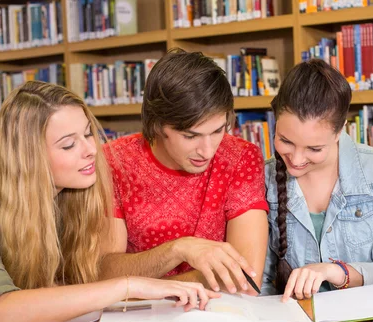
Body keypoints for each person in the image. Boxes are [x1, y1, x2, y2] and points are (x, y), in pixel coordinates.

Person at [0, 81, 217, 322]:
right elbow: (2, 314)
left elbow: (75, 281)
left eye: (88, 134)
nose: (91, 151)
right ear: (28, 157)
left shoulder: (78, 186)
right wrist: (127, 287)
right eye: (68, 145)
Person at [101, 49, 269, 295]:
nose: (208, 150)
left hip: (214, 317)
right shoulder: (114, 161)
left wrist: (142, 284)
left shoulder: (241, 157)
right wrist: (178, 249)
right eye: (191, 136)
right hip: (136, 319)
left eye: (218, 131)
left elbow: (246, 279)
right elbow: (104, 272)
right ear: (157, 124)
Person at [262, 59, 373, 300]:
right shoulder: (264, 178)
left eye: (314, 148)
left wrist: (336, 272)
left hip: (367, 321)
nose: (297, 159)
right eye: (286, 141)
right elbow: (261, 283)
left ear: (341, 129)